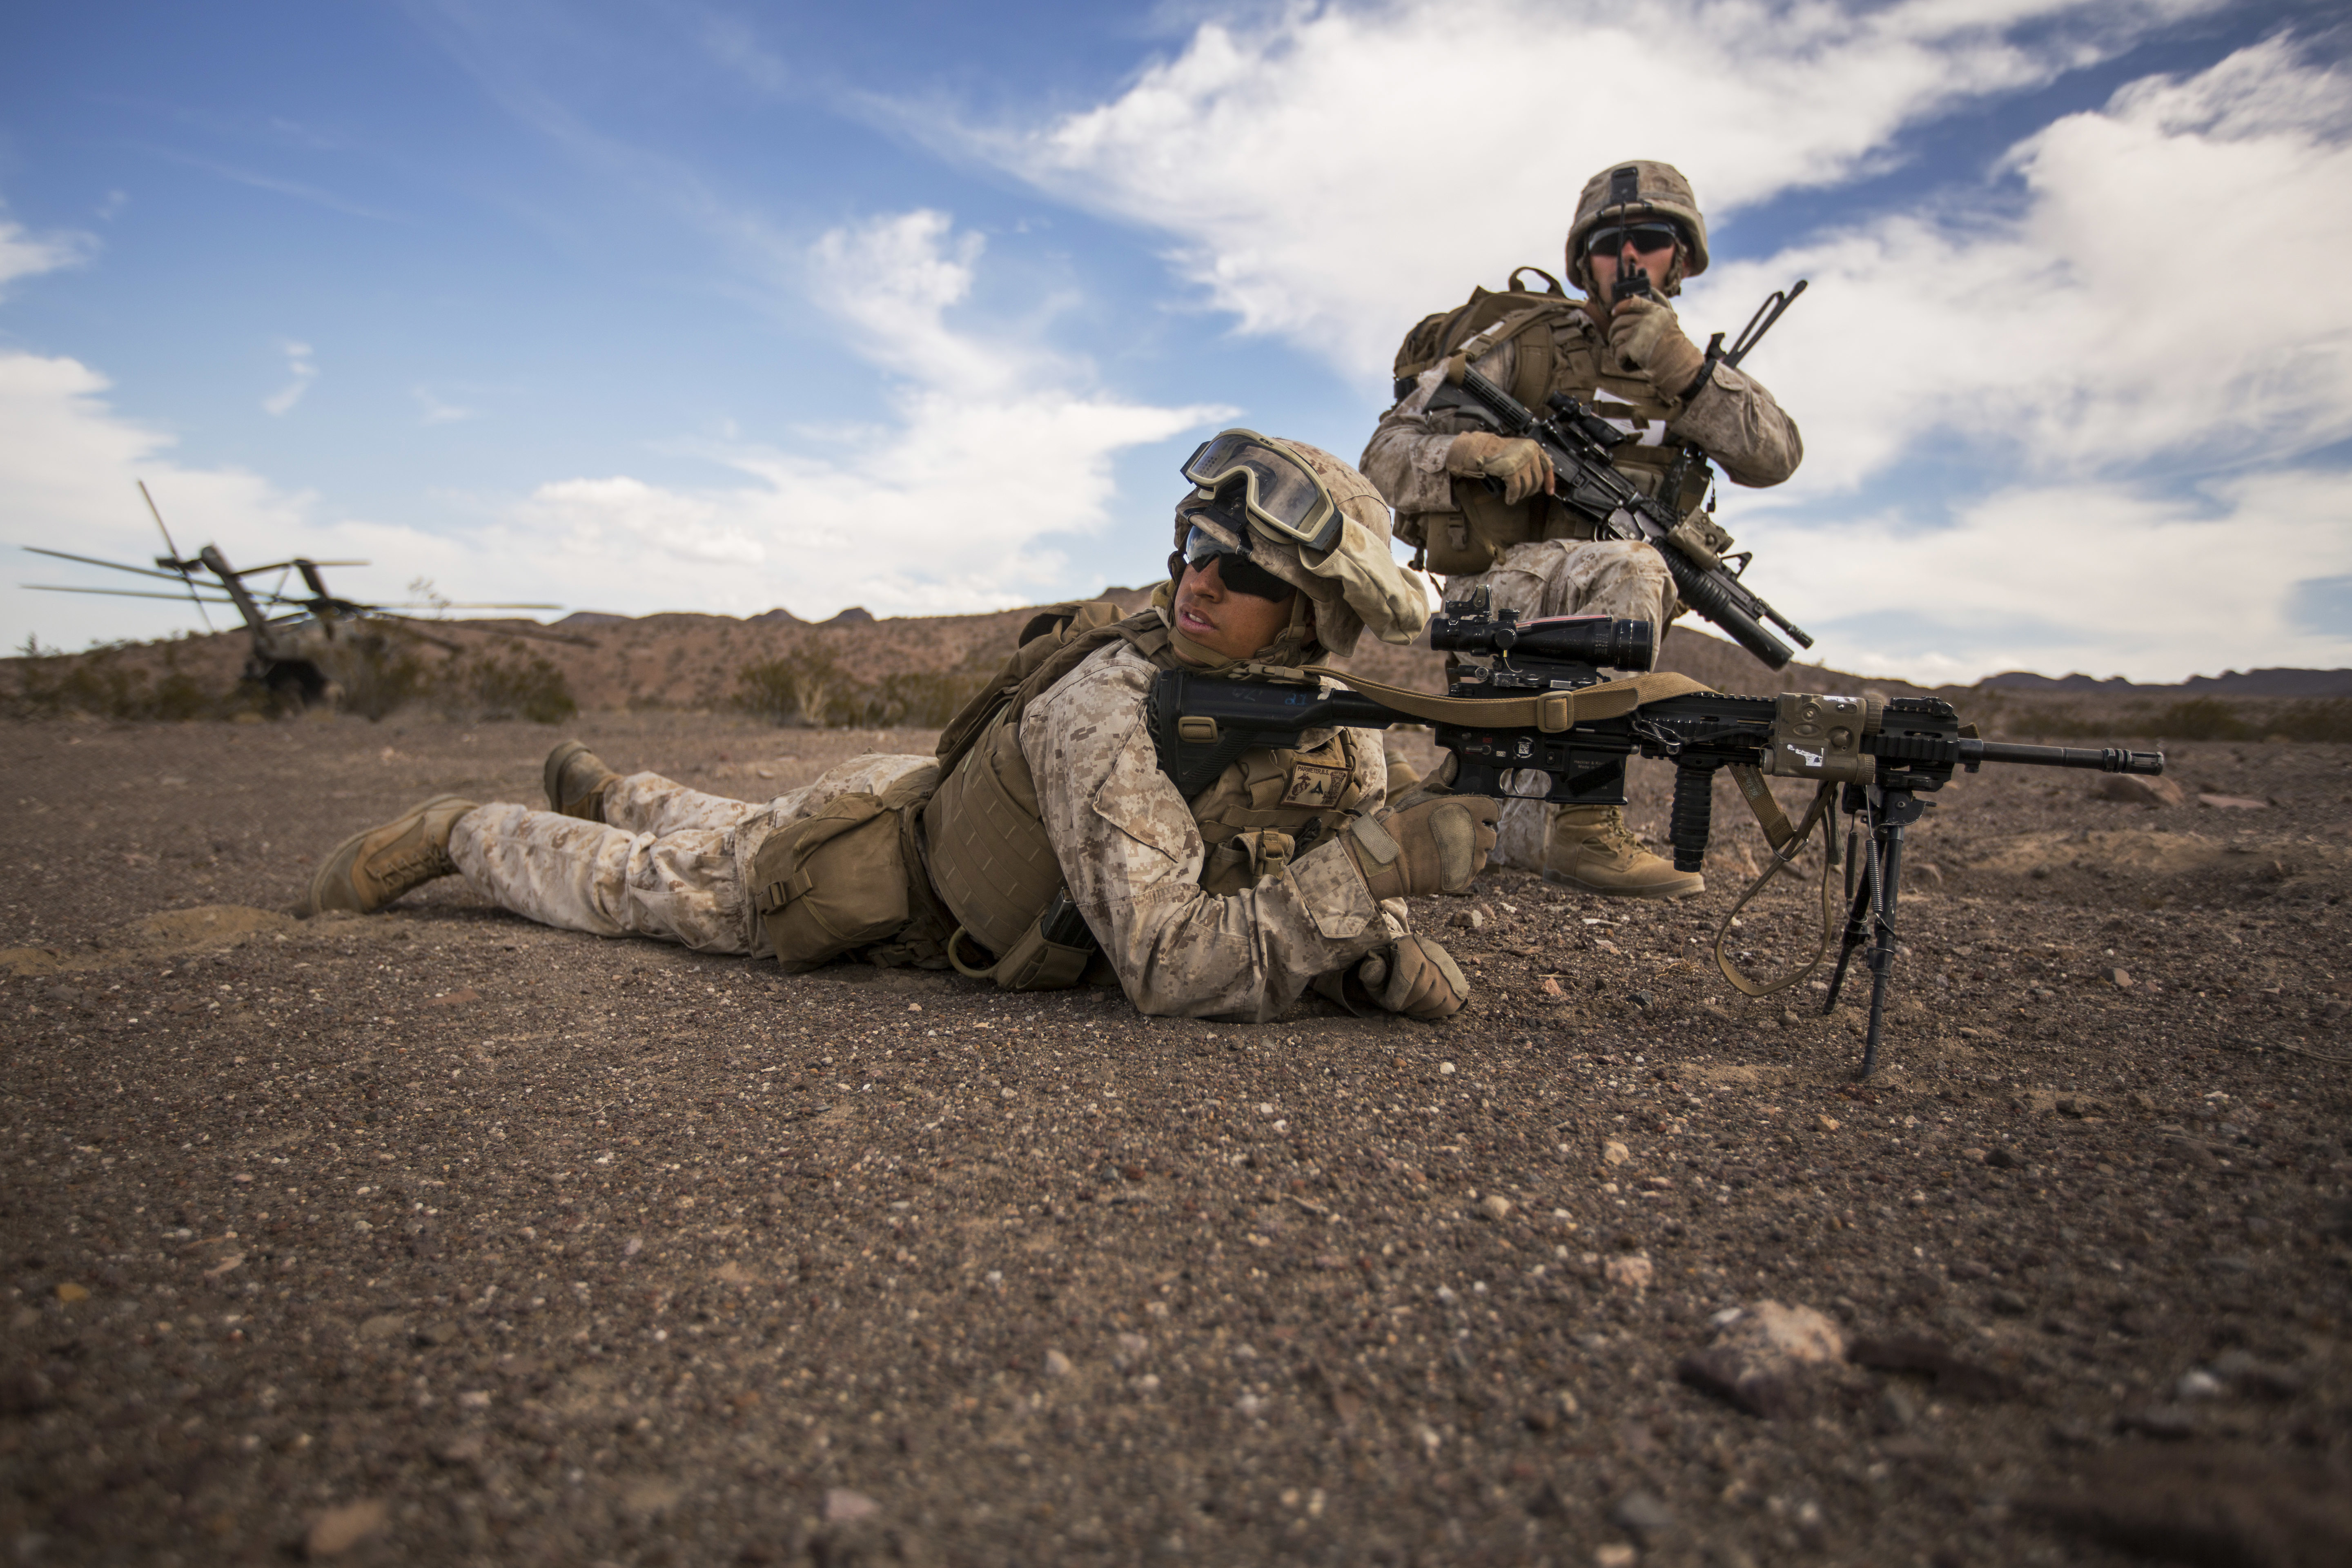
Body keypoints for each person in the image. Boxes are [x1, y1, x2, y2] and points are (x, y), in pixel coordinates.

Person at [297, 434, 1499, 1025]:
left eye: (1235, 574)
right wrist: (1382, 875)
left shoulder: (1336, 727)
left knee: (717, 821)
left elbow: (1312, 862)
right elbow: (1171, 965)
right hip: (882, 872)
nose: (1197, 583)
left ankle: (615, 784)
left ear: (1310, 618)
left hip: (917, 793)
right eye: (1195, 548)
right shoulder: (1110, 709)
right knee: (655, 888)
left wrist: (1373, 947)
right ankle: (472, 833)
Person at [1361, 160, 1803, 900]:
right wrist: (1476, 452)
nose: (1630, 260)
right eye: (1610, 243)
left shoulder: (1688, 371)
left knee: (1632, 572)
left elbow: (1776, 455)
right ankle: (1581, 823)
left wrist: (1685, 369)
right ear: (1582, 260)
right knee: (1632, 567)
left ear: (1683, 257)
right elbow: (1382, 459)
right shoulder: (1527, 340)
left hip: (1613, 616)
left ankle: (1495, 809)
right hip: (1499, 598)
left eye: (1653, 238)